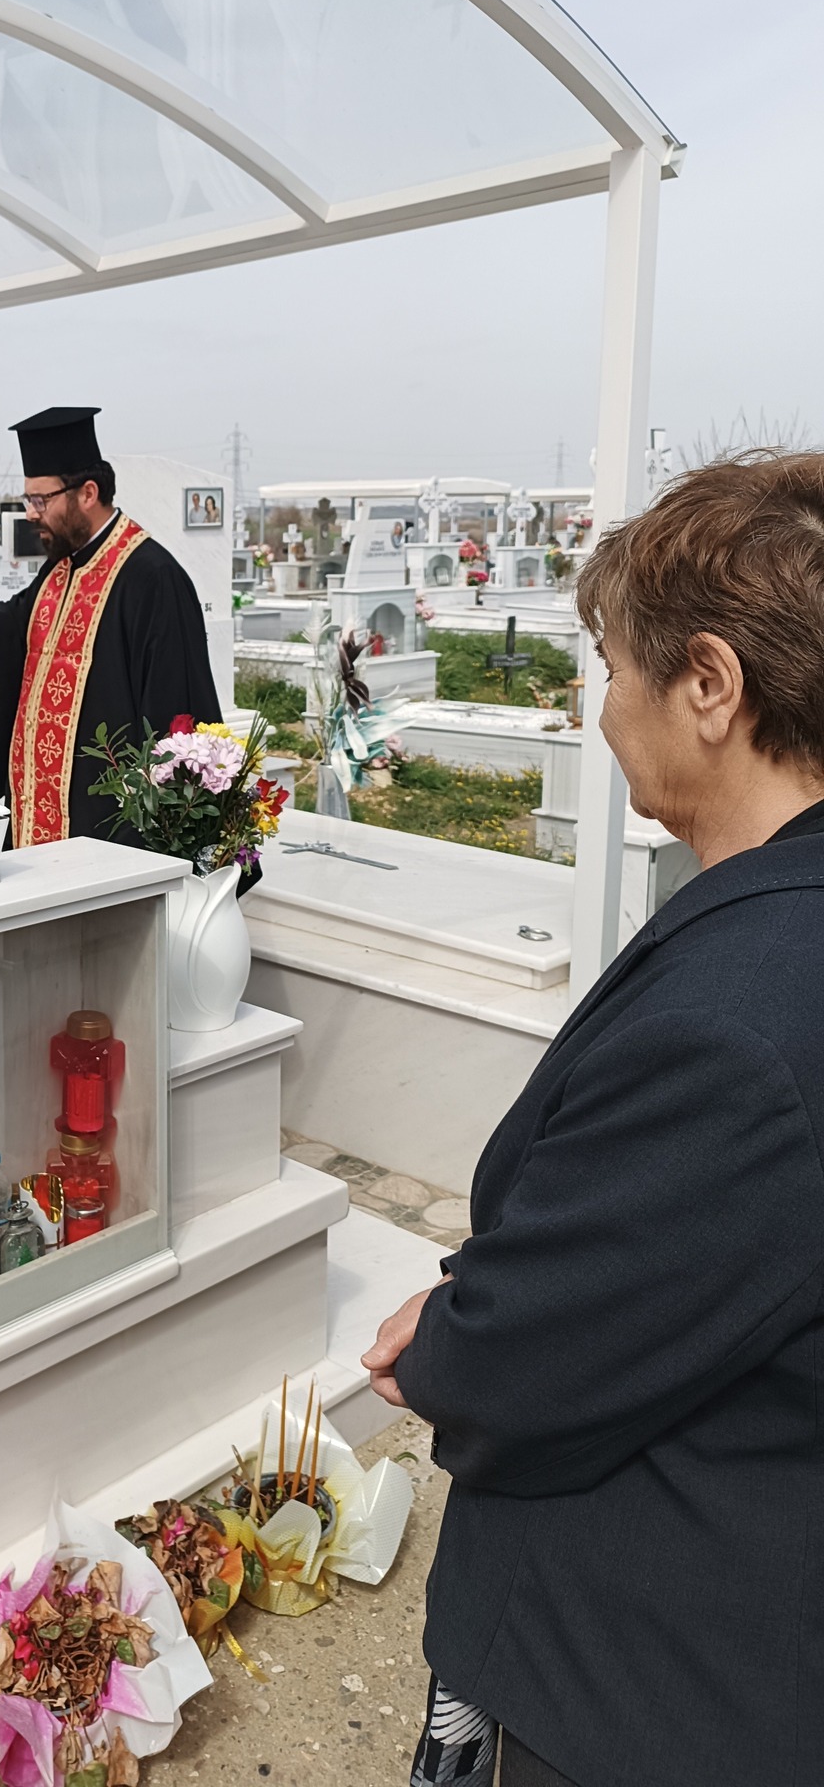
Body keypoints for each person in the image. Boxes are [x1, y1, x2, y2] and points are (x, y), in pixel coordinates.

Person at [361, 452, 824, 1787]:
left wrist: (450, 1337)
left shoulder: (738, 1028)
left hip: (645, 1679)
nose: (604, 705)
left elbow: (530, 1361)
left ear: (710, 685)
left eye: (615, 667)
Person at [0, 408, 218, 846]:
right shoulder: (60, 569)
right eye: (28, 500)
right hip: (35, 815)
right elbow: (13, 638)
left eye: (40, 500)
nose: (30, 514)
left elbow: (175, 712)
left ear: (88, 493)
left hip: (109, 830)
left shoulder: (153, 578)